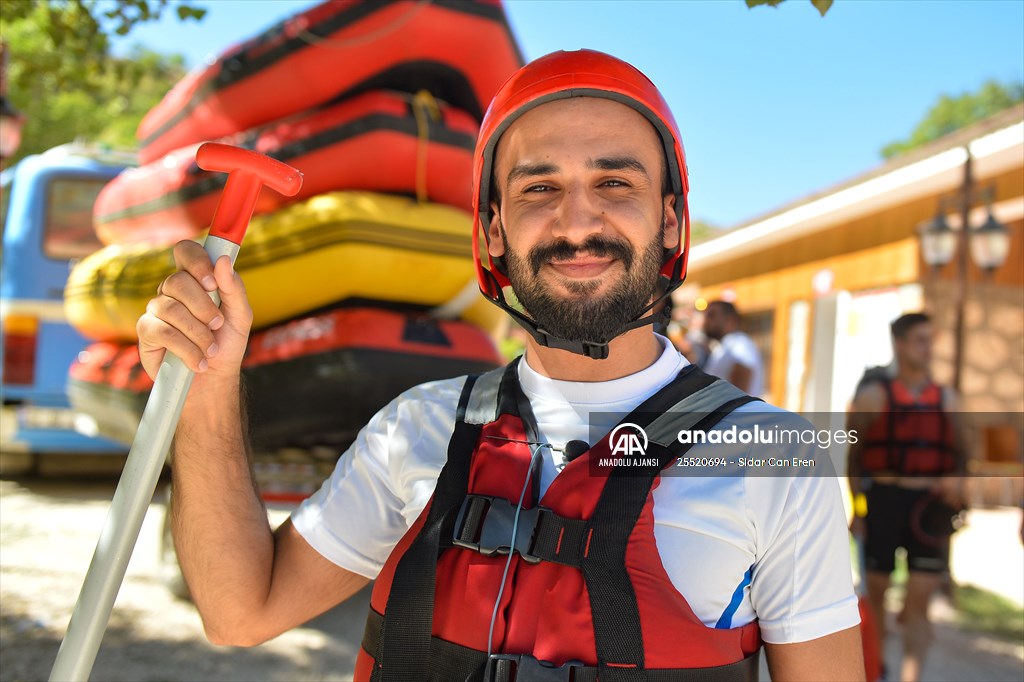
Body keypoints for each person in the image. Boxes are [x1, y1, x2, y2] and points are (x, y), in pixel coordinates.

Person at [138, 49, 864, 680]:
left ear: (670, 220)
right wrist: (208, 382)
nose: (578, 222)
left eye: (616, 184)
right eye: (538, 189)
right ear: (493, 230)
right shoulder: (414, 428)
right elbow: (240, 612)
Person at [847, 312, 968, 682]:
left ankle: (910, 677)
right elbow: (854, 458)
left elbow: (963, 457)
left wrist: (958, 484)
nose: (928, 348)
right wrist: (860, 511)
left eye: (931, 340)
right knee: (879, 595)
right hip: (883, 502)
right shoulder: (872, 396)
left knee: (919, 601)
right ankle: (877, 668)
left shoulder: (948, 399)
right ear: (899, 344)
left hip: (929, 509)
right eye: (920, 340)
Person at [701, 300, 764, 397]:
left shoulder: (739, 344)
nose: (706, 320)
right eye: (706, 315)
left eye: (712, 316)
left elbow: (740, 389)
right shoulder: (726, 345)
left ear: (730, 320)